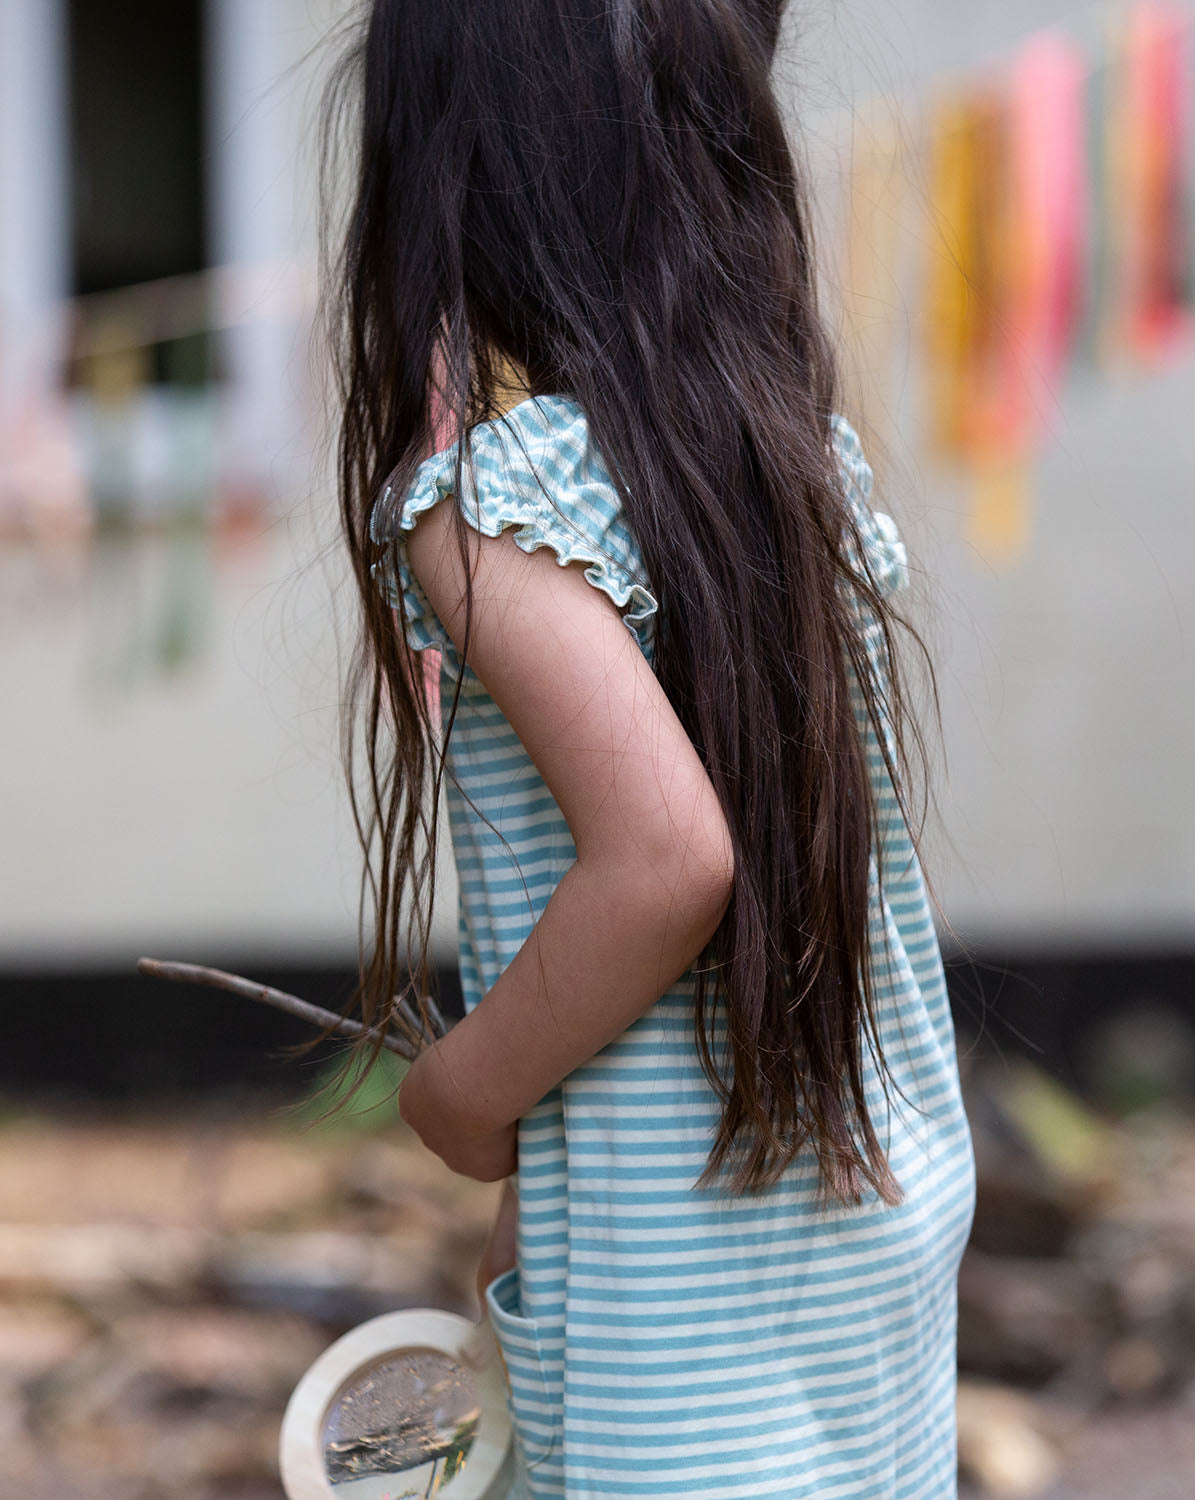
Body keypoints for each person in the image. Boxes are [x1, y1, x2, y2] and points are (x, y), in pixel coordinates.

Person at [321, 2, 977, 1496]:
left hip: (695, 1319)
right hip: (861, 1227)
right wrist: (539, 1195)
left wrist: (460, 1095)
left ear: (456, 183)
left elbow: (670, 857)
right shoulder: (774, 459)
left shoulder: (488, 506)